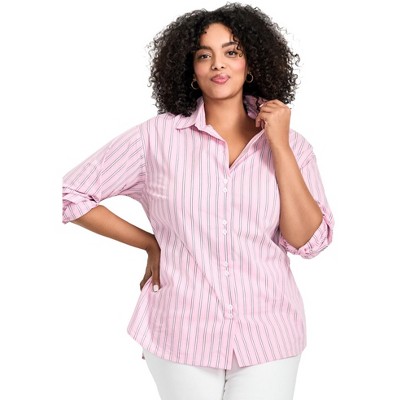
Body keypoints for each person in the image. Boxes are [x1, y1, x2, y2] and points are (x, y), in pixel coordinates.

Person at [62, 2, 334, 399]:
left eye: (231, 51)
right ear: (190, 69)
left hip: (269, 335)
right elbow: (70, 193)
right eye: (204, 55)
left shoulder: (292, 144)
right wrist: (149, 242)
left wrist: (279, 146)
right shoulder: (156, 138)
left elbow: (309, 241)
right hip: (182, 334)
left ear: (250, 63)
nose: (218, 64)